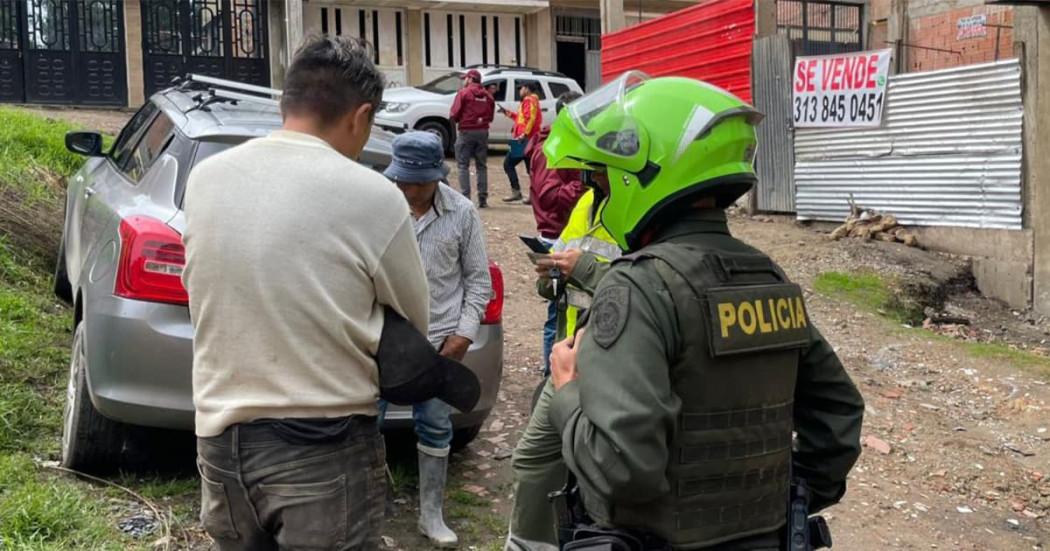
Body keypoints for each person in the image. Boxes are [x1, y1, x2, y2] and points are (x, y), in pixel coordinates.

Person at [543, 73, 865, 550]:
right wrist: (779, 501)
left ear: (645, 174)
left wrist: (568, 391)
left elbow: (623, 469)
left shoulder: (639, 286)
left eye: (605, 179)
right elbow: (838, 414)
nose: (602, 196)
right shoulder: (767, 277)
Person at [183, 36, 430, 551]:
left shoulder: (205, 179)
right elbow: (413, 324)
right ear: (362, 116)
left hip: (221, 443)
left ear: (286, 102)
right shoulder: (375, 196)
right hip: (323, 444)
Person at [382, 131, 492, 548]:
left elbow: (478, 281)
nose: (407, 189)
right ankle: (374, 506)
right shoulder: (380, 209)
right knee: (365, 424)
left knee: (435, 424)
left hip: (438, 343)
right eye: (401, 180)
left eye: (416, 182)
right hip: (384, 342)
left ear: (436, 177)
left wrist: (463, 335)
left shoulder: (462, 213)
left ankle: (431, 514)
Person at [506, 173, 621, 550]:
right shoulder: (587, 202)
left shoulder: (643, 210)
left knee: (601, 475)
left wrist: (583, 269)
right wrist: (550, 273)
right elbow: (563, 265)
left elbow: (648, 288)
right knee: (533, 459)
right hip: (568, 357)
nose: (591, 171)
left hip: (614, 365)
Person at [524, 91, 587, 376]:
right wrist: (585, 184)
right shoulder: (551, 147)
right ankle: (551, 372)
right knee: (557, 310)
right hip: (555, 237)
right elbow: (549, 196)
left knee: (565, 308)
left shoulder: (567, 143)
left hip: (568, 234)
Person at [450, 69, 495, 208]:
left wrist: (460, 120)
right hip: (482, 132)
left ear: (470, 79)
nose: (464, 81)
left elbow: (454, 114)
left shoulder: (463, 93)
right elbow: (491, 117)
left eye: (465, 78)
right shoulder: (488, 95)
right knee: (481, 166)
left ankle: (466, 199)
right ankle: (482, 199)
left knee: (463, 165)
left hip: (466, 132)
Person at [500, 81, 542, 203]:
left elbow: (530, 119)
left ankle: (517, 192)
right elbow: (521, 119)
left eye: (521, 88)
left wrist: (524, 134)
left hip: (523, 140)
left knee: (508, 164)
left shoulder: (528, 100)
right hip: (529, 140)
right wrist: (508, 113)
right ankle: (533, 196)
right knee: (530, 169)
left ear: (527, 89)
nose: (519, 91)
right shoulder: (532, 101)